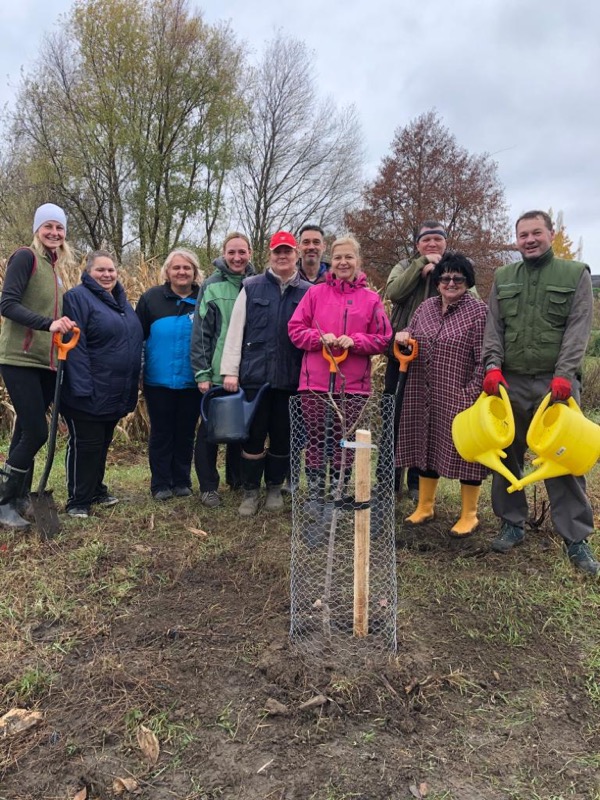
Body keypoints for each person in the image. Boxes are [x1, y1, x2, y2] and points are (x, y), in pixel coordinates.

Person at [482, 210, 598, 574]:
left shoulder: (574, 273)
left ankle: (576, 540)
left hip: (556, 385)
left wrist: (564, 375)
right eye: (523, 235)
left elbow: (579, 327)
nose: (529, 240)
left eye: (536, 233)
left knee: (562, 458)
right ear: (515, 240)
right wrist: (492, 366)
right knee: (506, 453)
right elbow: (494, 326)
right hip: (510, 382)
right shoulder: (503, 277)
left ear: (550, 234)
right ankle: (512, 523)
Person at [288, 234, 391, 508]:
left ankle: (338, 489)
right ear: (330, 261)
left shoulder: (370, 299)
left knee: (344, 442)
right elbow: (295, 330)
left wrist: (355, 341)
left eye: (348, 257)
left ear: (358, 261)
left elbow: (383, 338)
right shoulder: (314, 293)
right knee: (316, 439)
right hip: (315, 383)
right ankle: (314, 492)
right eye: (337, 257)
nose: (343, 262)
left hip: (354, 385)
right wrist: (319, 337)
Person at [395, 251, 488, 537]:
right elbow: (414, 331)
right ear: (437, 282)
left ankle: (469, 514)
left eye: (457, 278)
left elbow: (484, 359)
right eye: (445, 278)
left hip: (460, 394)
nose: (450, 283)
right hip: (421, 390)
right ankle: (425, 506)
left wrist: (469, 395)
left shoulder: (478, 312)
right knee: (425, 444)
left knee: (467, 453)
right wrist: (404, 335)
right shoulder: (426, 307)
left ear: (467, 281)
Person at [221, 231, 310, 516]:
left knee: (283, 436)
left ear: (296, 254)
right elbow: (235, 333)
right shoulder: (251, 286)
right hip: (254, 377)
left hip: (291, 378)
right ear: (269, 256)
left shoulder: (309, 292)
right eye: (276, 252)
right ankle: (250, 491)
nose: (282, 257)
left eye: (287, 251)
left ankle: (274, 488)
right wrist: (230, 372)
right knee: (253, 436)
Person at [0, 203, 77, 529]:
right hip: (20, 357)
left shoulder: (55, 269)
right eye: (48, 227)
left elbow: (52, 315)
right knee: (35, 431)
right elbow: (7, 303)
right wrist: (49, 324)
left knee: (23, 431)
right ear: (37, 229)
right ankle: (3, 499)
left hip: (46, 362)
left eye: (59, 228)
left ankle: (19, 499)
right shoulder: (26, 257)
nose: (54, 233)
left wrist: (63, 326)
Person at [61, 250, 143, 518]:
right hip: (88, 390)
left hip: (114, 390)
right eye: (101, 270)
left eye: (111, 270)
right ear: (88, 273)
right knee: (86, 444)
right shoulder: (77, 298)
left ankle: (96, 490)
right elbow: (76, 347)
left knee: (102, 442)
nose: (107, 275)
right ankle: (78, 500)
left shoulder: (120, 302)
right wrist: (82, 388)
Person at [385, 220, 448, 500]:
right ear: (417, 244)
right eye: (426, 240)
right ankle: (389, 478)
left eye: (437, 239)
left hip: (436, 360)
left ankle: (417, 483)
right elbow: (394, 292)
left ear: (445, 243)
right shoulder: (403, 266)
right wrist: (419, 266)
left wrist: (439, 275)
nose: (432, 244)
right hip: (400, 354)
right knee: (394, 416)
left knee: (427, 420)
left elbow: (468, 297)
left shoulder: (454, 268)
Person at [191, 233, 255, 508]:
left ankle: (237, 480)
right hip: (217, 373)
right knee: (209, 432)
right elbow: (202, 333)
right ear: (224, 254)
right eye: (232, 252)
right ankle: (208, 486)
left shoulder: (257, 284)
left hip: (248, 372)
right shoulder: (211, 286)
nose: (237, 257)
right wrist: (203, 373)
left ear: (250, 253)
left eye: (242, 252)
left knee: (242, 431)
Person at [136, 249, 202, 501]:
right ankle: (161, 484)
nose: (182, 272)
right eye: (176, 268)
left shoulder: (203, 298)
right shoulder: (151, 299)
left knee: (186, 432)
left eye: (187, 268)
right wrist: (139, 372)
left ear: (195, 272)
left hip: (192, 380)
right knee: (162, 432)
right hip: (158, 380)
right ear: (167, 271)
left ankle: (182, 481)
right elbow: (137, 337)